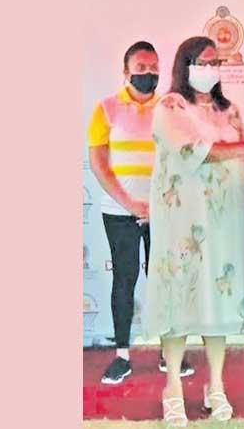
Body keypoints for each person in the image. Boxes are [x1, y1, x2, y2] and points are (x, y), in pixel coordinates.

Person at [142, 36, 244, 427]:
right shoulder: (170, 107)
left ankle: (215, 385)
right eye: (203, 62)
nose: (210, 69)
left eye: (215, 62)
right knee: (178, 301)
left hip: (222, 226)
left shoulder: (229, 110)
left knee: (218, 301)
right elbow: (196, 153)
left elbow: (243, 162)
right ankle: (172, 386)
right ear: (185, 66)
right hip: (181, 224)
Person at [87, 41, 194, 385]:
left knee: (165, 281)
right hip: (118, 211)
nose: (148, 73)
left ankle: (169, 352)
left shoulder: (171, 107)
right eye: (141, 67)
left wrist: (162, 203)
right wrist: (129, 204)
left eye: (153, 68)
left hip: (165, 211)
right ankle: (121, 355)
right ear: (125, 70)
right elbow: (100, 164)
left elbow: (185, 158)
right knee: (125, 278)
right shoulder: (105, 109)